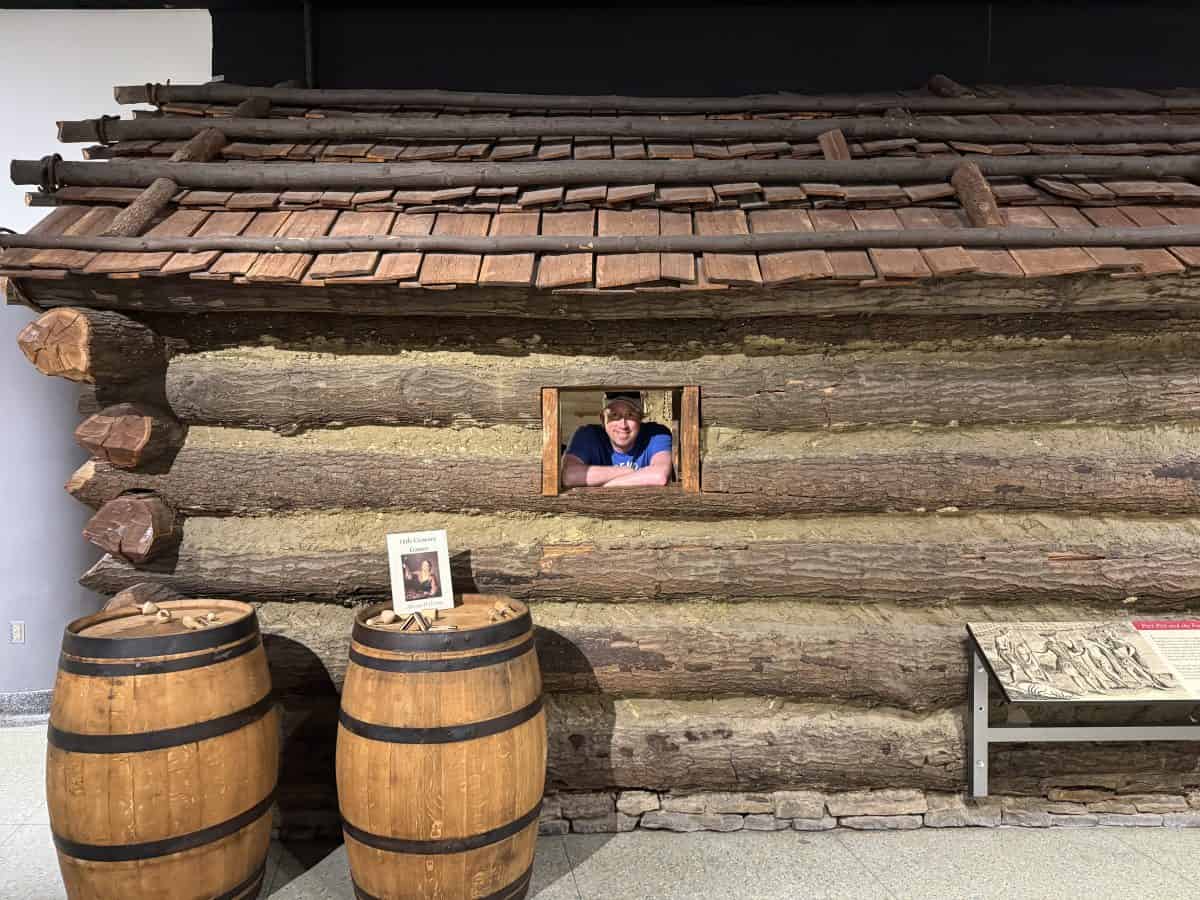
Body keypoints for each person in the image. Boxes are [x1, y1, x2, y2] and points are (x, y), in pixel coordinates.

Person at [561, 391, 673, 488]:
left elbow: (660, 476)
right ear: (602, 419)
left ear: (640, 418)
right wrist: (627, 471)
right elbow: (568, 476)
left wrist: (605, 485)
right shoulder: (588, 435)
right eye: (614, 415)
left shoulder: (656, 434)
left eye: (630, 415)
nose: (623, 425)